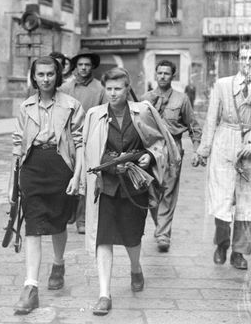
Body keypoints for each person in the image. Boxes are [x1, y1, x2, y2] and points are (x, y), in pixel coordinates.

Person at [83, 67, 180, 316]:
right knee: (102, 239)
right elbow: (87, 148)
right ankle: (104, 294)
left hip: (134, 186)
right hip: (106, 186)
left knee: (131, 237)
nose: (113, 94)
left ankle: (136, 267)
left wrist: (148, 156)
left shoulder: (144, 111)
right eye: (109, 89)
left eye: (118, 89)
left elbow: (160, 142)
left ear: (127, 89)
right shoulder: (94, 114)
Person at [194, 43, 251, 270]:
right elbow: (211, 119)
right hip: (224, 144)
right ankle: (222, 244)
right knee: (222, 200)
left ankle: (239, 252)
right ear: (237, 61)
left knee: (247, 203)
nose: (248, 62)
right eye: (243, 58)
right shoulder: (222, 85)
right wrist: (204, 150)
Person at [12, 55, 84, 315]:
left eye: (50, 74)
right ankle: (31, 287)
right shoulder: (25, 106)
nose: (45, 79)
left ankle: (58, 263)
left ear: (58, 76)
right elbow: (18, 144)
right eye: (40, 74)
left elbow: (80, 143)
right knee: (32, 223)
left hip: (60, 165)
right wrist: (14, 178)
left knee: (58, 221)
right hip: (32, 166)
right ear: (34, 77)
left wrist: (77, 176)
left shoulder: (72, 105)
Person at [141, 60, 202, 253]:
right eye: (159, 73)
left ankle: (163, 234)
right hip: (150, 149)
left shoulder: (181, 99)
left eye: (167, 73)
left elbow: (193, 125)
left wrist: (197, 148)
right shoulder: (145, 99)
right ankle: (160, 225)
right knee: (151, 191)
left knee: (168, 190)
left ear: (172, 76)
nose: (162, 77)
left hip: (172, 148)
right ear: (155, 75)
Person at [59, 50, 107, 234]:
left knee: (86, 179)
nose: (84, 68)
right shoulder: (65, 88)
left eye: (87, 65)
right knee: (67, 176)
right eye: (80, 65)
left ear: (92, 66)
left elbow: (104, 113)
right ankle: (67, 215)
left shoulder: (100, 89)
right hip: (67, 138)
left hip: (89, 138)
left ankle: (82, 219)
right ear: (75, 67)